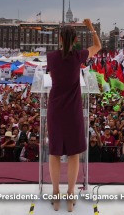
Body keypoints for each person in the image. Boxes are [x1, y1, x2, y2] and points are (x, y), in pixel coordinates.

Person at [46, 19, 101, 212]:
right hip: (73, 111)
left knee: (54, 153)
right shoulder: (79, 56)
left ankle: (55, 195)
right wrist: (91, 27)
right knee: (73, 154)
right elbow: (98, 46)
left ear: (60, 39)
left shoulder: (51, 57)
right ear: (76, 39)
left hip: (55, 110)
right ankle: (70, 196)